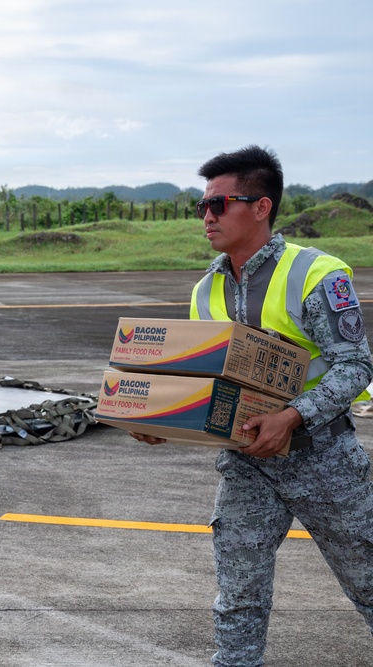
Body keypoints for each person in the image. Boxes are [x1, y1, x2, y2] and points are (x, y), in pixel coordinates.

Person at [132, 145, 373, 666]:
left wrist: (291, 416)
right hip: (246, 463)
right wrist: (161, 422)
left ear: (260, 207)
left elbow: (357, 366)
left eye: (220, 204)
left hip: (324, 459)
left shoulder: (315, 273)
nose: (207, 216)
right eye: (202, 206)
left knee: (369, 585)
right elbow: (200, 384)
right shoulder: (205, 289)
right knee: (238, 598)